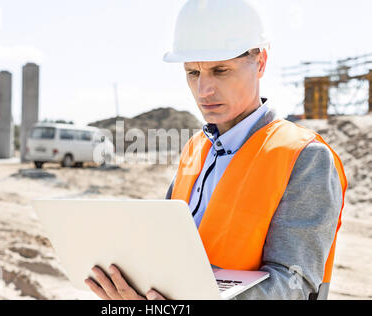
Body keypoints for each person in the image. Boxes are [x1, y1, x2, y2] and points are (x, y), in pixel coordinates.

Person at [84, 0, 347, 300]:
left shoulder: (305, 157)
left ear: (260, 62)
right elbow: (167, 252)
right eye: (192, 73)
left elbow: (294, 286)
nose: (203, 90)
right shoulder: (195, 148)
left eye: (220, 70)